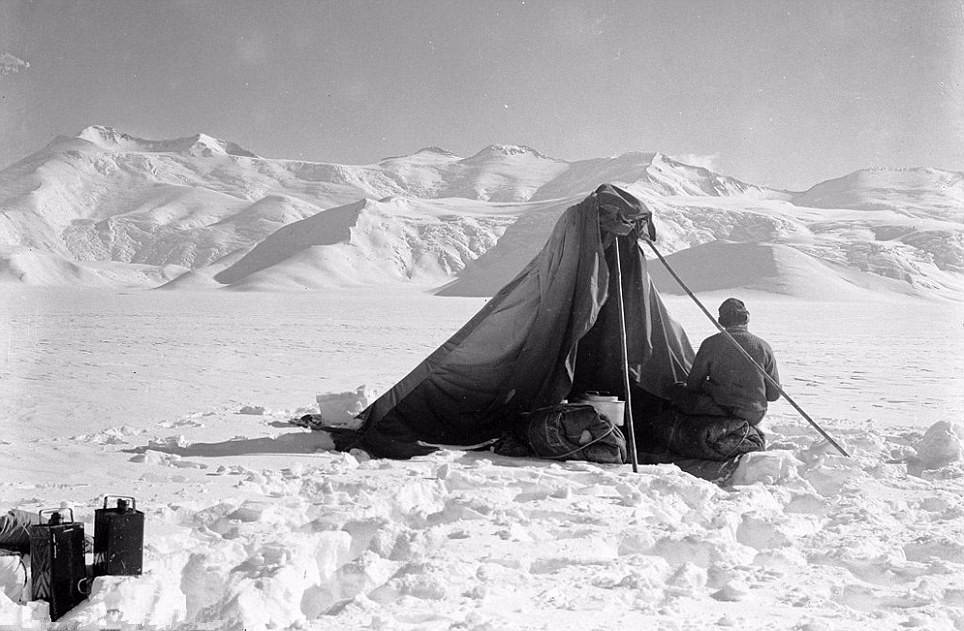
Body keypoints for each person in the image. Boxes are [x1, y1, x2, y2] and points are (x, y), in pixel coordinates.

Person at [673, 298, 780, 425]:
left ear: (721, 321)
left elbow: (693, 385)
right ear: (746, 318)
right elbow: (774, 394)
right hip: (754, 414)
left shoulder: (710, 344)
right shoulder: (763, 346)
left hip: (721, 411)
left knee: (678, 392)